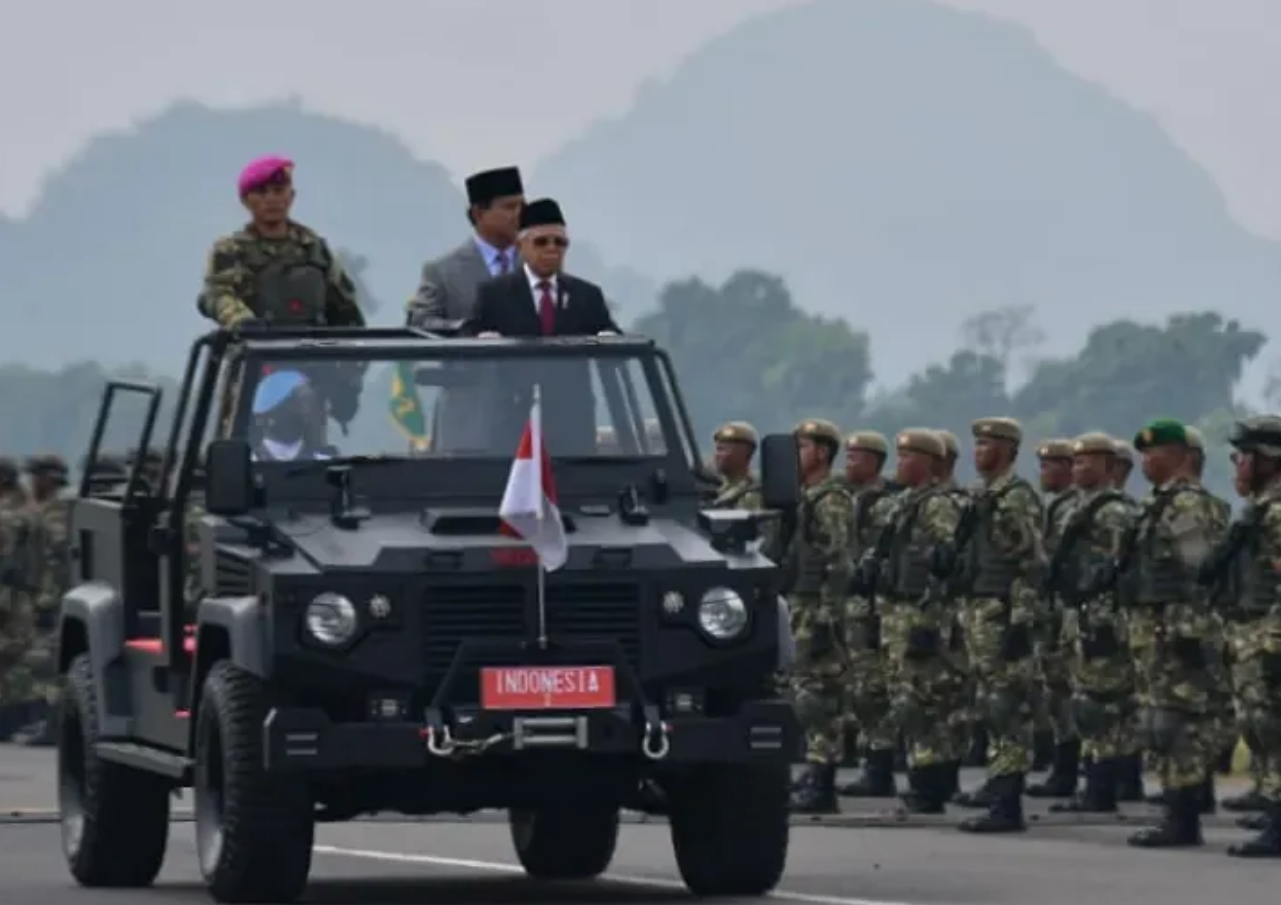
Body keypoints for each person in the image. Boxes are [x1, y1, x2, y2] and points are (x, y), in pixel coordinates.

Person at [1121, 418, 1226, 848]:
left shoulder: (1186, 506)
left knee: (1176, 723)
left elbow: (1198, 569)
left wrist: (1187, 631)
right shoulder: (1159, 504)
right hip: (1156, 626)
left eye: (1156, 452)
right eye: (1144, 452)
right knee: (1162, 720)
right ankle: (1180, 806)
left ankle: (1183, 817)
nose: (1147, 460)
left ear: (1184, 458)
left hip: (1175, 627)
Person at [952, 416, 1044, 833]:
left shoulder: (1016, 498)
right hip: (978, 610)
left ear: (1008, 450)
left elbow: (1030, 565)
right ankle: (997, 788)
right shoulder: (981, 497)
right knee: (990, 706)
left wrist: (1020, 622)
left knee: (1007, 708)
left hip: (1003, 613)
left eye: (988, 444)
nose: (979, 451)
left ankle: (1008, 804)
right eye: (977, 444)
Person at [869, 429, 966, 814]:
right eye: (900, 455)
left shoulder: (938, 505)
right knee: (909, 697)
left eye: (910, 456)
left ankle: (931, 784)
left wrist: (930, 620)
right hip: (898, 609)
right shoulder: (905, 502)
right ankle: (926, 778)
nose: (901, 463)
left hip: (922, 611)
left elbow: (946, 565)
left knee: (924, 701)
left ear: (929, 461)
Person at [1045, 432, 1139, 814]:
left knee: (1102, 704)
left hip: (1103, 616)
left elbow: (1123, 567)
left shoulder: (1115, 511)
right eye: (1076, 462)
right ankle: (1095, 782)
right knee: (1083, 700)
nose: (1079, 468)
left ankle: (1104, 788)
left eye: (1088, 462)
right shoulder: (1074, 508)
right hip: (1077, 614)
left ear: (1109, 467)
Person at [1214, 415, 1281, 857]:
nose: (1238, 465)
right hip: (1251, 628)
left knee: (1272, 728)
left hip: (1268, 632)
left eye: (1245, 457)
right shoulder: (1259, 510)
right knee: (1260, 728)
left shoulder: (1276, 512)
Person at [199, 155, 366, 329]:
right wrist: (242, 322)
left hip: (314, 349)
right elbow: (218, 295)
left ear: (291, 196)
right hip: (254, 350)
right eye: (262, 192)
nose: (271, 199)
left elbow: (344, 303)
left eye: (279, 190)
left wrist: (353, 337)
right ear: (246, 201)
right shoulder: (232, 251)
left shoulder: (313, 248)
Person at [784, 419, 856, 814]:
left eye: (803, 447)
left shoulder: (831, 499)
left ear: (822, 452)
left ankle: (822, 780)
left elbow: (840, 562)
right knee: (804, 694)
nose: (796, 455)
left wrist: (828, 616)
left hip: (818, 609)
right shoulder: (807, 496)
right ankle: (814, 772)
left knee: (820, 697)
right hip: (802, 603)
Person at [836, 431, 900, 799]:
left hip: (875, 607)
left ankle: (880, 768)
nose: (850, 462)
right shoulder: (853, 500)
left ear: (875, 461)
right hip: (854, 605)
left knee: (874, 690)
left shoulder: (884, 506)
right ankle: (870, 764)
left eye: (857, 457)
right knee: (860, 691)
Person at [461, 198, 620, 338]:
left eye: (559, 242)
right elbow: (467, 339)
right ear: (520, 246)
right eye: (541, 242)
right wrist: (483, 338)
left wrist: (607, 337)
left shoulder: (586, 295)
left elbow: (612, 338)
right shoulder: (494, 294)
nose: (552, 248)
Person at [1028, 438, 1082, 797]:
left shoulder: (1076, 509)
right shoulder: (1050, 506)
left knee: (1073, 692)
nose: (1043, 471)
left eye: (1051, 465)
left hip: (1069, 609)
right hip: (1049, 610)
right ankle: (1061, 769)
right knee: (1055, 692)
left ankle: (1070, 772)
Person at [406, 166, 525, 327]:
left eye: (522, 207)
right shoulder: (442, 271)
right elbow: (420, 322)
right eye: (510, 207)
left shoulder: (535, 263)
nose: (520, 214)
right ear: (478, 213)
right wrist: (465, 329)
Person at [249, 370, 335, 462]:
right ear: (275, 410)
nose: (309, 411)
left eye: (312, 401)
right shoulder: (245, 465)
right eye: (304, 400)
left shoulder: (325, 462)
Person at [708, 421, 761, 509]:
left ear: (742, 453)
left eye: (722, 450)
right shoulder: (717, 489)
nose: (717, 455)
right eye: (717, 450)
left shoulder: (754, 492)